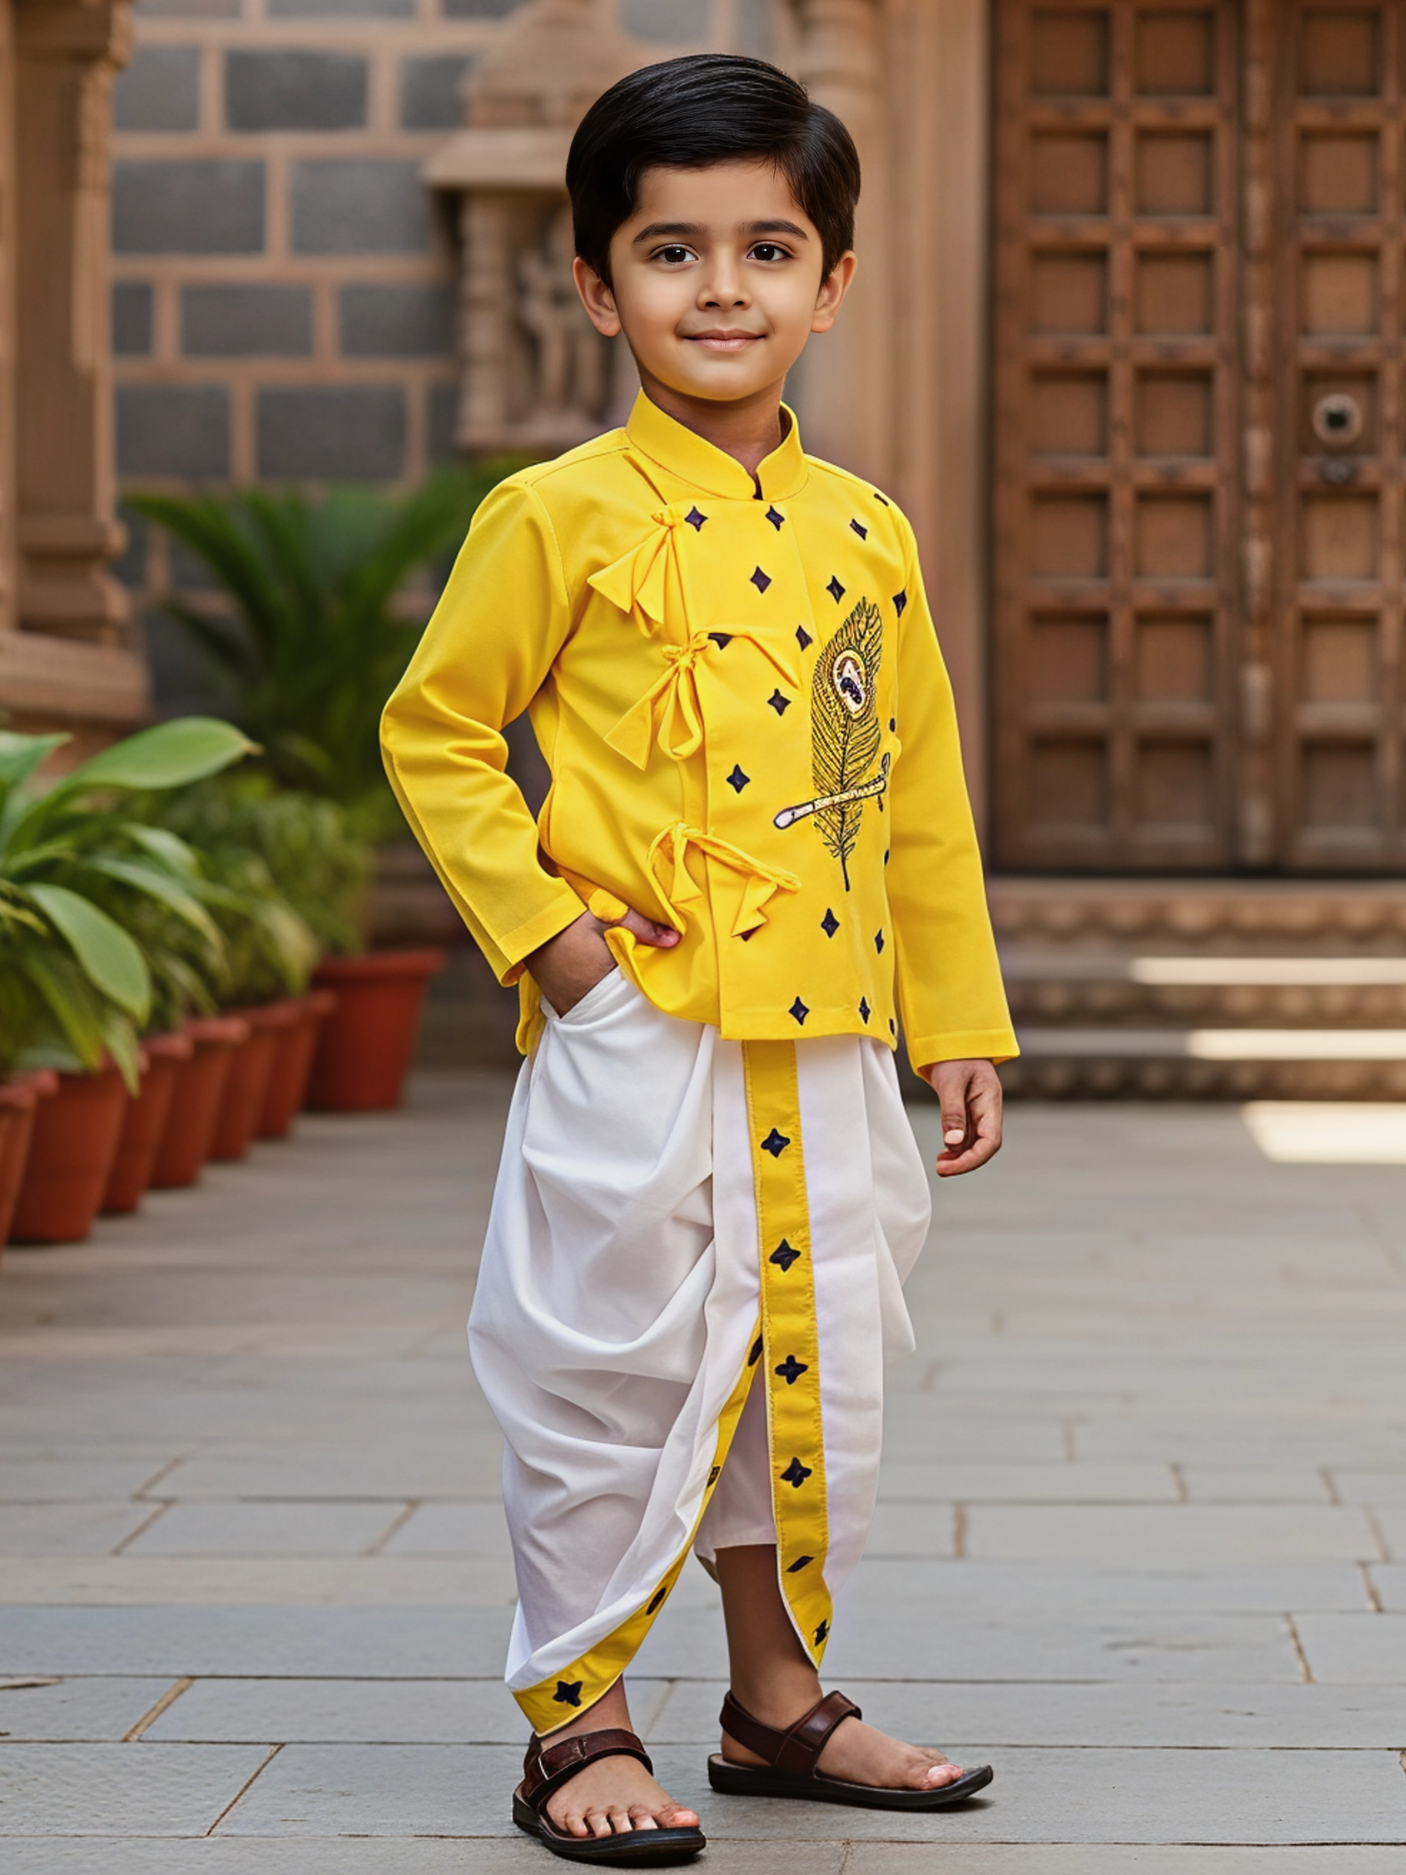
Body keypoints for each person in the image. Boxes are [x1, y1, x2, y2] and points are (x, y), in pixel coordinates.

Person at [381, 52, 1017, 1865]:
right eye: (672, 252)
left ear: (830, 279)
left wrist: (954, 1019)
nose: (721, 288)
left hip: (826, 1032)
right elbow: (435, 733)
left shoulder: (864, 533)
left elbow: (912, 793)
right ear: (597, 283)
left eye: (766, 247)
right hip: (638, 1025)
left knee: (808, 1363)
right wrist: (563, 953)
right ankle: (573, 1721)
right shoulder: (553, 512)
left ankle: (775, 1703)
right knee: (604, 1363)